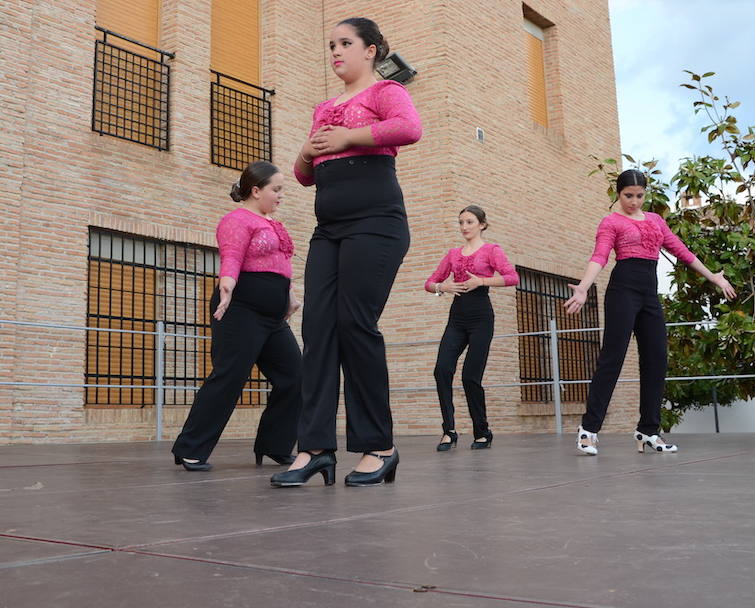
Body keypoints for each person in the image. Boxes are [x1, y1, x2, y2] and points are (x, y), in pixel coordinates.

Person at [270, 17, 421, 488]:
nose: (335, 51)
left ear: (371, 50)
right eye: (331, 45)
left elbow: (410, 128)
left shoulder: (384, 93)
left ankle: (380, 446)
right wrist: (305, 149)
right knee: (317, 328)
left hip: (376, 225)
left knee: (356, 324)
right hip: (329, 229)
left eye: (345, 43)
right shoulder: (323, 107)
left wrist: (347, 137)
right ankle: (314, 448)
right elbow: (304, 176)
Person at [565, 169, 736, 455]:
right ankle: (588, 430)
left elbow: (681, 251)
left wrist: (714, 277)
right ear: (618, 195)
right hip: (623, 291)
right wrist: (583, 287)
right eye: (628, 196)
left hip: (649, 294)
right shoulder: (611, 221)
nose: (634, 201)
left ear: (646, 193)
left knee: (657, 359)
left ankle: (648, 430)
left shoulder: (656, 221)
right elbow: (600, 255)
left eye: (639, 196)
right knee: (613, 358)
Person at [171, 161, 302, 471]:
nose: (280, 195)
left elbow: (281, 264)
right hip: (240, 308)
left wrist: (291, 298)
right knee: (230, 376)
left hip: (273, 317)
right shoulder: (236, 219)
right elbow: (231, 256)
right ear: (256, 191)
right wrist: (226, 285)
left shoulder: (272, 223)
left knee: (296, 376)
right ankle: (190, 448)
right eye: (276, 190)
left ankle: (275, 444)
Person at [424, 206, 519, 451]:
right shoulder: (453, 254)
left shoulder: (491, 250)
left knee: (470, 377)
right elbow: (430, 282)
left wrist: (482, 281)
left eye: (470, 221)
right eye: (461, 222)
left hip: (481, 317)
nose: (465, 226)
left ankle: (482, 432)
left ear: (482, 225)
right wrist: (443, 288)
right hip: (457, 317)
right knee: (441, 370)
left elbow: (512, 277)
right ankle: (449, 431)